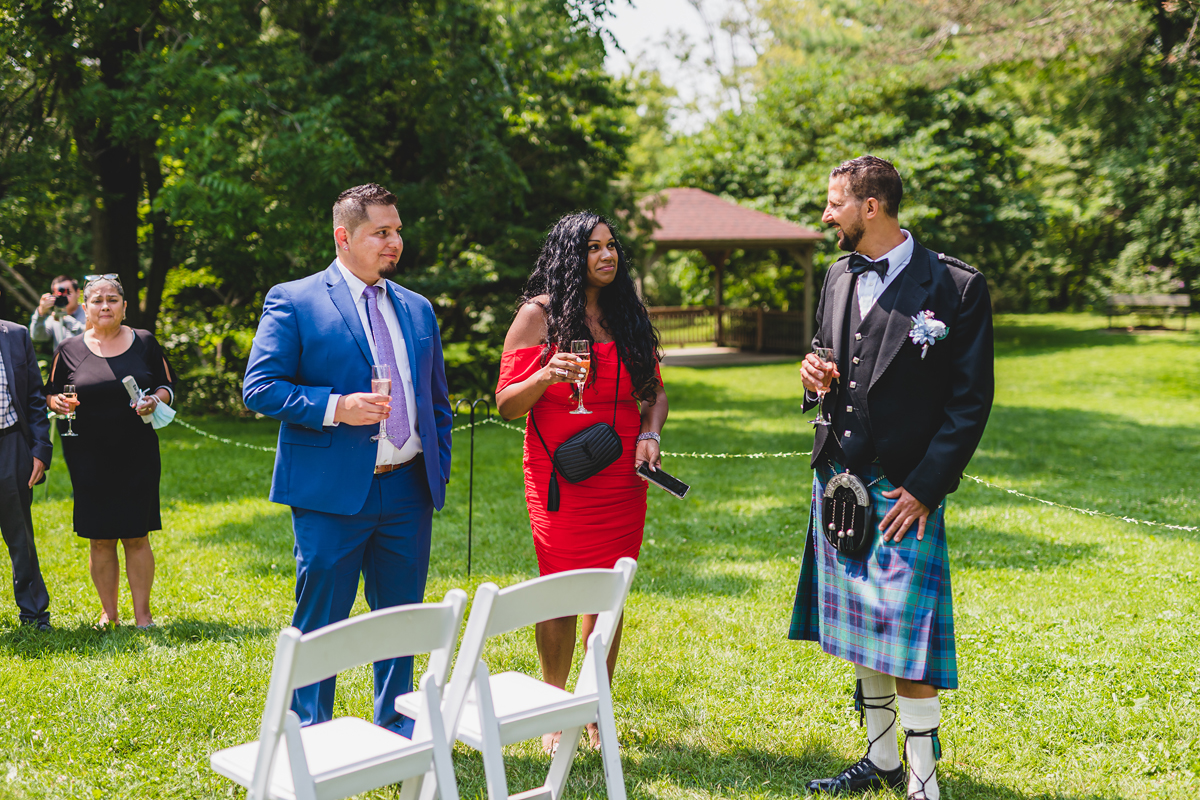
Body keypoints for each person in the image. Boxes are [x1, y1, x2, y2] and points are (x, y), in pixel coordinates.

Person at [791, 156, 994, 800]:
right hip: (841, 481)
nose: (827, 214)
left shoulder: (956, 286)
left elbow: (970, 403)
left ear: (871, 206)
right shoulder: (837, 276)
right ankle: (881, 760)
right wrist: (812, 378)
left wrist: (928, 486)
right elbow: (827, 357)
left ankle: (923, 783)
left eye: (835, 203)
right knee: (860, 627)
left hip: (905, 486)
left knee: (908, 638)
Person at [242, 183, 453, 736]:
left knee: (402, 619)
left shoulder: (417, 307)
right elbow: (260, 388)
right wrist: (337, 407)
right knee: (322, 622)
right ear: (344, 236)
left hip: (408, 489)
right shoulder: (295, 300)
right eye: (381, 232)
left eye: (397, 231)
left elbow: (436, 401)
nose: (394, 242)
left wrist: (437, 469)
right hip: (329, 491)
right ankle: (312, 734)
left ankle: (398, 729)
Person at [496, 211, 667, 752]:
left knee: (608, 594)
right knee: (561, 592)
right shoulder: (538, 316)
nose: (607, 255)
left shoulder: (627, 312)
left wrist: (650, 434)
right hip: (560, 480)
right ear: (571, 255)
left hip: (621, 477)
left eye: (611, 245)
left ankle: (595, 707)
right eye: (593, 247)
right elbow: (506, 404)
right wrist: (545, 373)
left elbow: (654, 392)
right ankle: (554, 709)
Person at [45, 275, 176, 629]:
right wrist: (57, 403)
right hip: (87, 456)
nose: (105, 306)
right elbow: (50, 393)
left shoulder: (145, 342)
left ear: (124, 307)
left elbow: (167, 385)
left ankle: (143, 615)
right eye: (97, 301)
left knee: (137, 534)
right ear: (85, 308)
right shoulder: (68, 349)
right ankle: (109, 613)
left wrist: (155, 400)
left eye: (113, 300)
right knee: (100, 538)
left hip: (137, 453)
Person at [0, 305, 53, 631]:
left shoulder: (17, 335)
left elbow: (35, 396)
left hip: (11, 444)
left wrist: (40, 450)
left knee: (20, 536)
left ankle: (34, 615)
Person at [30, 275, 86, 348]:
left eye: (68, 293)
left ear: (77, 293)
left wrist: (65, 319)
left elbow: (87, 335)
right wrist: (40, 313)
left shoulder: (88, 313)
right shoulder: (54, 317)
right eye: (59, 294)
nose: (64, 297)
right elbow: (37, 336)